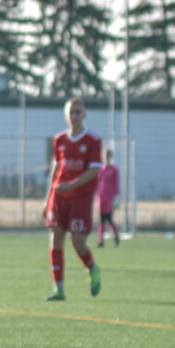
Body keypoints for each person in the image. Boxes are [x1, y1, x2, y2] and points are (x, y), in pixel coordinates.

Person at [44, 97, 103, 300]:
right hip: (59, 198)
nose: (74, 116)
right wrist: (48, 197)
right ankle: (58, 289)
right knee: (55, 240)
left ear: (84, 114)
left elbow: (94, 171)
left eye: (78, 112)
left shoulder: (93, 140)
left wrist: (71, 185)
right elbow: (56, 168)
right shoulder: (59, 139)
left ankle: (93, 269)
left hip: (80, 198)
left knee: (78, 244)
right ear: (65, 115)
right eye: (71, 112)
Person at [95, 149, 121, 247]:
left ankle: (116, 236)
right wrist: (96, 195)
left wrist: (116, 197)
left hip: (110, 197)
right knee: (101, 219)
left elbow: (116, 184)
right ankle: (101, 241)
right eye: (105, 156)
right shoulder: (100, 170)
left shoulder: (114, 170)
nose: (106, 158)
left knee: (109, 218)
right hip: (101, 197)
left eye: (108, 156)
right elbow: (97, 183)